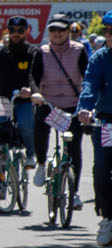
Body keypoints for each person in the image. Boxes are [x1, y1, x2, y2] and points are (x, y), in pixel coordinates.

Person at [32, 15, 88, 205]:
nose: (57, 34)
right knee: (39, 126)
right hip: (48, 103)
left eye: (61, 30)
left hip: (72, 104)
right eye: (53, 30)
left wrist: (87, 102)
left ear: (68, 31)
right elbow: (33, 78)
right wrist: (36, 94)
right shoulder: (42, 52)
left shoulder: (79, 50)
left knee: (74, 148)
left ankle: (74, 193)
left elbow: (86, 77)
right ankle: (41, 164)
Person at [0, 15, 41, 168]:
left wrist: (32, 91)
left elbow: (34, 76)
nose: (16, 34)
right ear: (7, 31)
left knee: (26, 124)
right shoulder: (0, 53)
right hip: (3, 101)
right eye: (12, 30)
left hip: (25, 100)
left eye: (20, 30)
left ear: (27, 31)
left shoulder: (33, 52)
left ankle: (30, 153)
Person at [76, 10, 112, 247]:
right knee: (101, 169)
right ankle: (107, 218)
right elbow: (89, 83)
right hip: (106, 121)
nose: (109, 35)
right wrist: (85, 108)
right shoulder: (99, 58)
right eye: (106, 31)